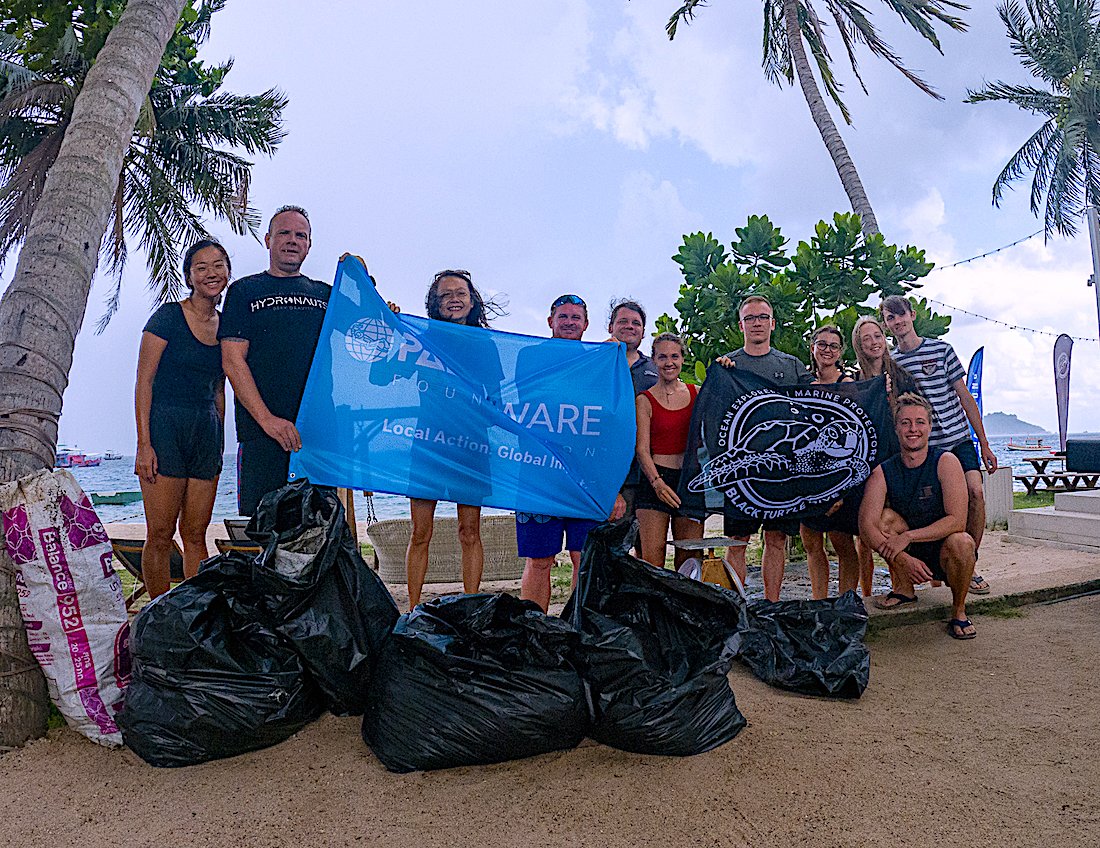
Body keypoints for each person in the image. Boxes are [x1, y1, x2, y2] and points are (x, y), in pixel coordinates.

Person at [516, 294, 626, 611]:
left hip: (585, 476)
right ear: (550, 321)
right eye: (563, 317)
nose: (568, 322)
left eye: (575, 318)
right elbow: (531, 399)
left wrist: (611, 485)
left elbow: (608, 423)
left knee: (583, 558)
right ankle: (534, 627)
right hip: (539, 474)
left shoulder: (599, 362)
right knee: (540, 561)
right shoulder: (529, 356)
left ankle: (577, 629)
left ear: (585, 324)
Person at [880, 295, 996, 597]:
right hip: (926, 450)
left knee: (976, 493)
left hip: (957, 440)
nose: (898, 322)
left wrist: (984, 442)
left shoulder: (942, 350)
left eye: (901, 315)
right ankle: (928, 571)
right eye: (891, 318)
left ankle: (969, 561)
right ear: (887, 324)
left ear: (912, 315)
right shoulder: (892, 362)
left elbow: (965, 397)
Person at [219, 205, 331, 516]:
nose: (292, 240)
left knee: (319, 533)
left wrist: (383, 306)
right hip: (263, 436)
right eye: (284, 233)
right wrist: (267, 420)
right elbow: (232, 361)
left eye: (301, 235)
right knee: (265, 535)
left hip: (315, 437)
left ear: (309, 245)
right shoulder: (243, 291)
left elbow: (361, 334)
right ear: (268, 239)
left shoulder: (325, 295)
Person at [134, 239, 229, 598]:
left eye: (218, 265)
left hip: (205, 431)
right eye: (201, 267)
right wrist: (144, 444)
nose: (210, 273)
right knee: (160, 534)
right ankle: (159, 614)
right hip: (165, 427)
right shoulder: (168, 318)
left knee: (195, 534)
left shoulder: (226, 325)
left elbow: (220, 388)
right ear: (189, 275)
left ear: (227, 271)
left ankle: (193, 616)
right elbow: (144, 383)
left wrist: (219, 440)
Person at [404, 270, 504, 609]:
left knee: (469, 531)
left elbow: (496, 400)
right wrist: (390, 326)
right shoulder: (421, 338)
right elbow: (380, 374)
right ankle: (414, 609)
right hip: (427, 444)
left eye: (460, 293)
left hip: (471, 447)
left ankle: (471, 605)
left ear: (472, 300)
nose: (454, 299)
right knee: (420, 533)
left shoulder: (485, 344)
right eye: (446, 295)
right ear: (434, 303)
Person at [717, 294, 814, 601]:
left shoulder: (792, 365)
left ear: (772, 323)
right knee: (737, 541)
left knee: (775, 539)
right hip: (744, 470)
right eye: (750, 318)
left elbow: (820, 401)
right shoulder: (727, 366)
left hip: (781, 470)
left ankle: (771, 604)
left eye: (762, 317)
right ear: (740, 324)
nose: (756, 323)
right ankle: (739, 605)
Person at [859, 393, 978, 639]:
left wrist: (909, 537)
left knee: (963, 542)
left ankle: (959, 610)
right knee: (884, 519)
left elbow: (957, 520)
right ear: (896, 428)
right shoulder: (883, 471)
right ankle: (904, 588)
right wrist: (902, 559)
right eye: (905, 422)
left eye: (920, 422)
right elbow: (866, 525)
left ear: (930, 427)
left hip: (944, 549)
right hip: (908, 553)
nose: (913, 429)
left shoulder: (946, 461)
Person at [797, 326, 862, 599]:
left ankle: (846, 602)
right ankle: (819, 602)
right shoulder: (803, 383)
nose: (827, 350)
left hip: (840, 476)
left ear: (841, 352)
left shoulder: (848, 384)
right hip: (810, 476)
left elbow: (858, 435)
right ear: (812, 347)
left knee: (842, 543)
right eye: (821, 344)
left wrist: (840, 489)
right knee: (812, 543)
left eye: (833, 346)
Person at [634, 333, 703, 569]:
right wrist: (657, 483)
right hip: (655, 481)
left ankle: (683, 607)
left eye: (674, 356)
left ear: (683, 359)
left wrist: (727, 367)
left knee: (690, 559)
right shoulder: (644, 400)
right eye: (662, 357)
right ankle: (652, 608)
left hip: (690, 482)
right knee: (652, 560)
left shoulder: (697, 393)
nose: (669, 362)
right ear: (654, 360)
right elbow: (642, 449)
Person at [608, 299, 658, 521]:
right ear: (611, 327)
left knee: (645, 547)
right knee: (607, 547)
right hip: (609, 472)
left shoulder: (655, 368)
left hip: (648, 472)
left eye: (636, 323)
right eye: (623, 321)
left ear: (643, 332)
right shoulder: (595, 361)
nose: (630, 326)